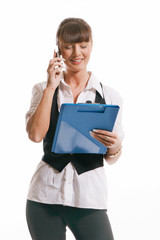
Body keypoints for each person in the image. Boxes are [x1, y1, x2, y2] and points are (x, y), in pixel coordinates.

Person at [25, 17, 124, 240]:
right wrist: (51, 86)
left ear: (91, 45)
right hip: (44, 198)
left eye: (83, 45)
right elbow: (35, 135)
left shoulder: (109, 96)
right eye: (68, 46)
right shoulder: (42, 89)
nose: (76, 53)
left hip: (88, 198)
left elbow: (113, 157)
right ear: (58, 49)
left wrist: (114, 145)